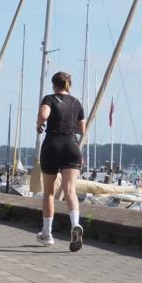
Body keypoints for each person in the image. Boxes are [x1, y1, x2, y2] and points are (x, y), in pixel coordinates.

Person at [34, 71, 86, 251]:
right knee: (70, 190)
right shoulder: (76, 103)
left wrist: (39, 123)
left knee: (48, 192)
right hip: (72, 146)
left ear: (54, 85)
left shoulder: (49, 99)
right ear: (68, 85)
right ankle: (75, 225)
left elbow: (44, 114)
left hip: (52, 146)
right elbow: (82, 130)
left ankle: (47, 234)